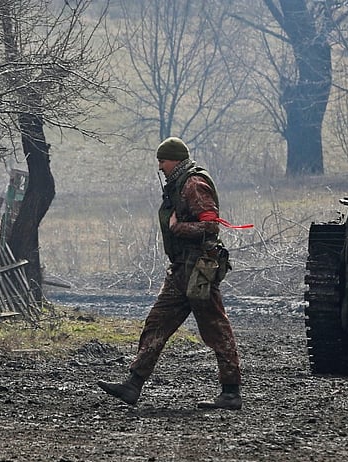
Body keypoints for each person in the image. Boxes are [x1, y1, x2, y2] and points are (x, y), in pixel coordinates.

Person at [98, 137, 242, 410]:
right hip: (181, 269)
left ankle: (231, 392)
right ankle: (132, 384)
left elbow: (211, 227)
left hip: (199, 269)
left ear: (175, 159)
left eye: (162, 161)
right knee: (157, 323)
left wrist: (178, 228)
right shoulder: (179, 183)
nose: (160, 166)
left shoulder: (193, 184)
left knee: (216, 329)